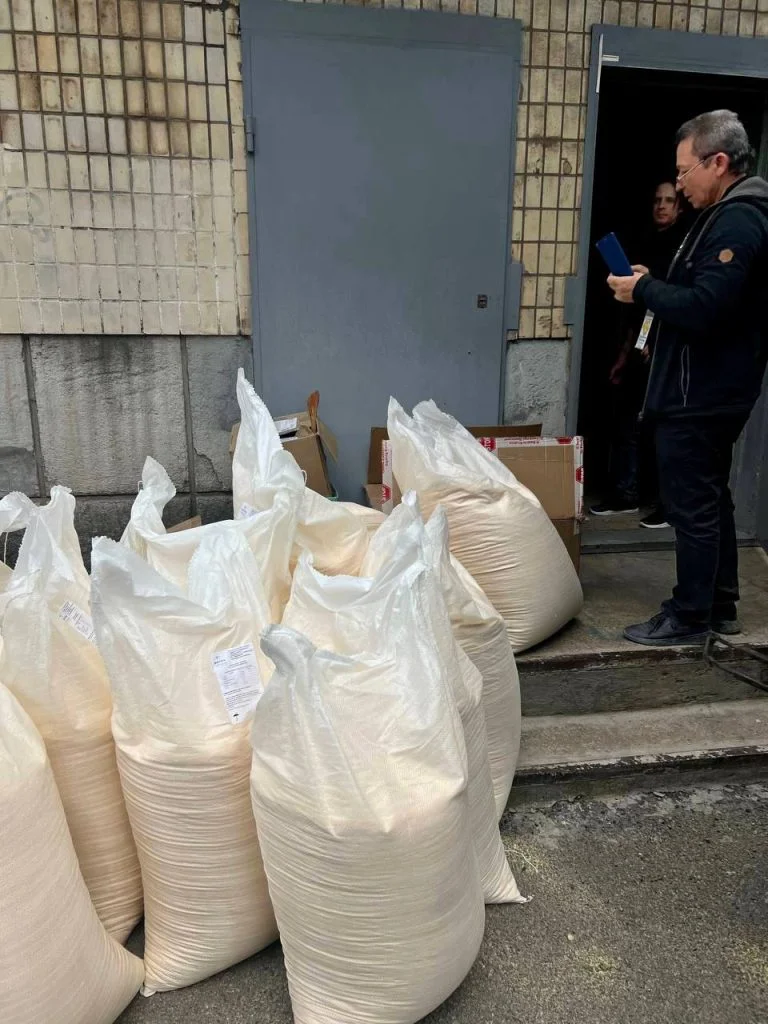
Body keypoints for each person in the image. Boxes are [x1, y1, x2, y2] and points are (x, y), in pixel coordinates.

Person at [607, 110, 768, 646]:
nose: (679, 184)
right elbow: (705, 292)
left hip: (700, 392)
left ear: (718, 162)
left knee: (691, 504)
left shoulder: (738, 220)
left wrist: (643, 291)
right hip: (707, 387)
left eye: (684, 171)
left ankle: (690, 615)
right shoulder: (725, 214)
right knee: (710, 498)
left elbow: (706, 307)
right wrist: (656, 281)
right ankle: (720, 604)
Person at [591, 182, 687, 527]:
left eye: (669, 200)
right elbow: (635, 309)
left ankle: (668, 504)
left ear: (680, 207)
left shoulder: (684, 246)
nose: (662, 206)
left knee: (663, 430)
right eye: (657, 200)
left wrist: (656, 338)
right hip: (640, 346)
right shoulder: (646, 240)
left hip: (667, 352)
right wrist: (625, 352)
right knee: (627, 422)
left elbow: (682, 301)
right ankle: (626, 493)